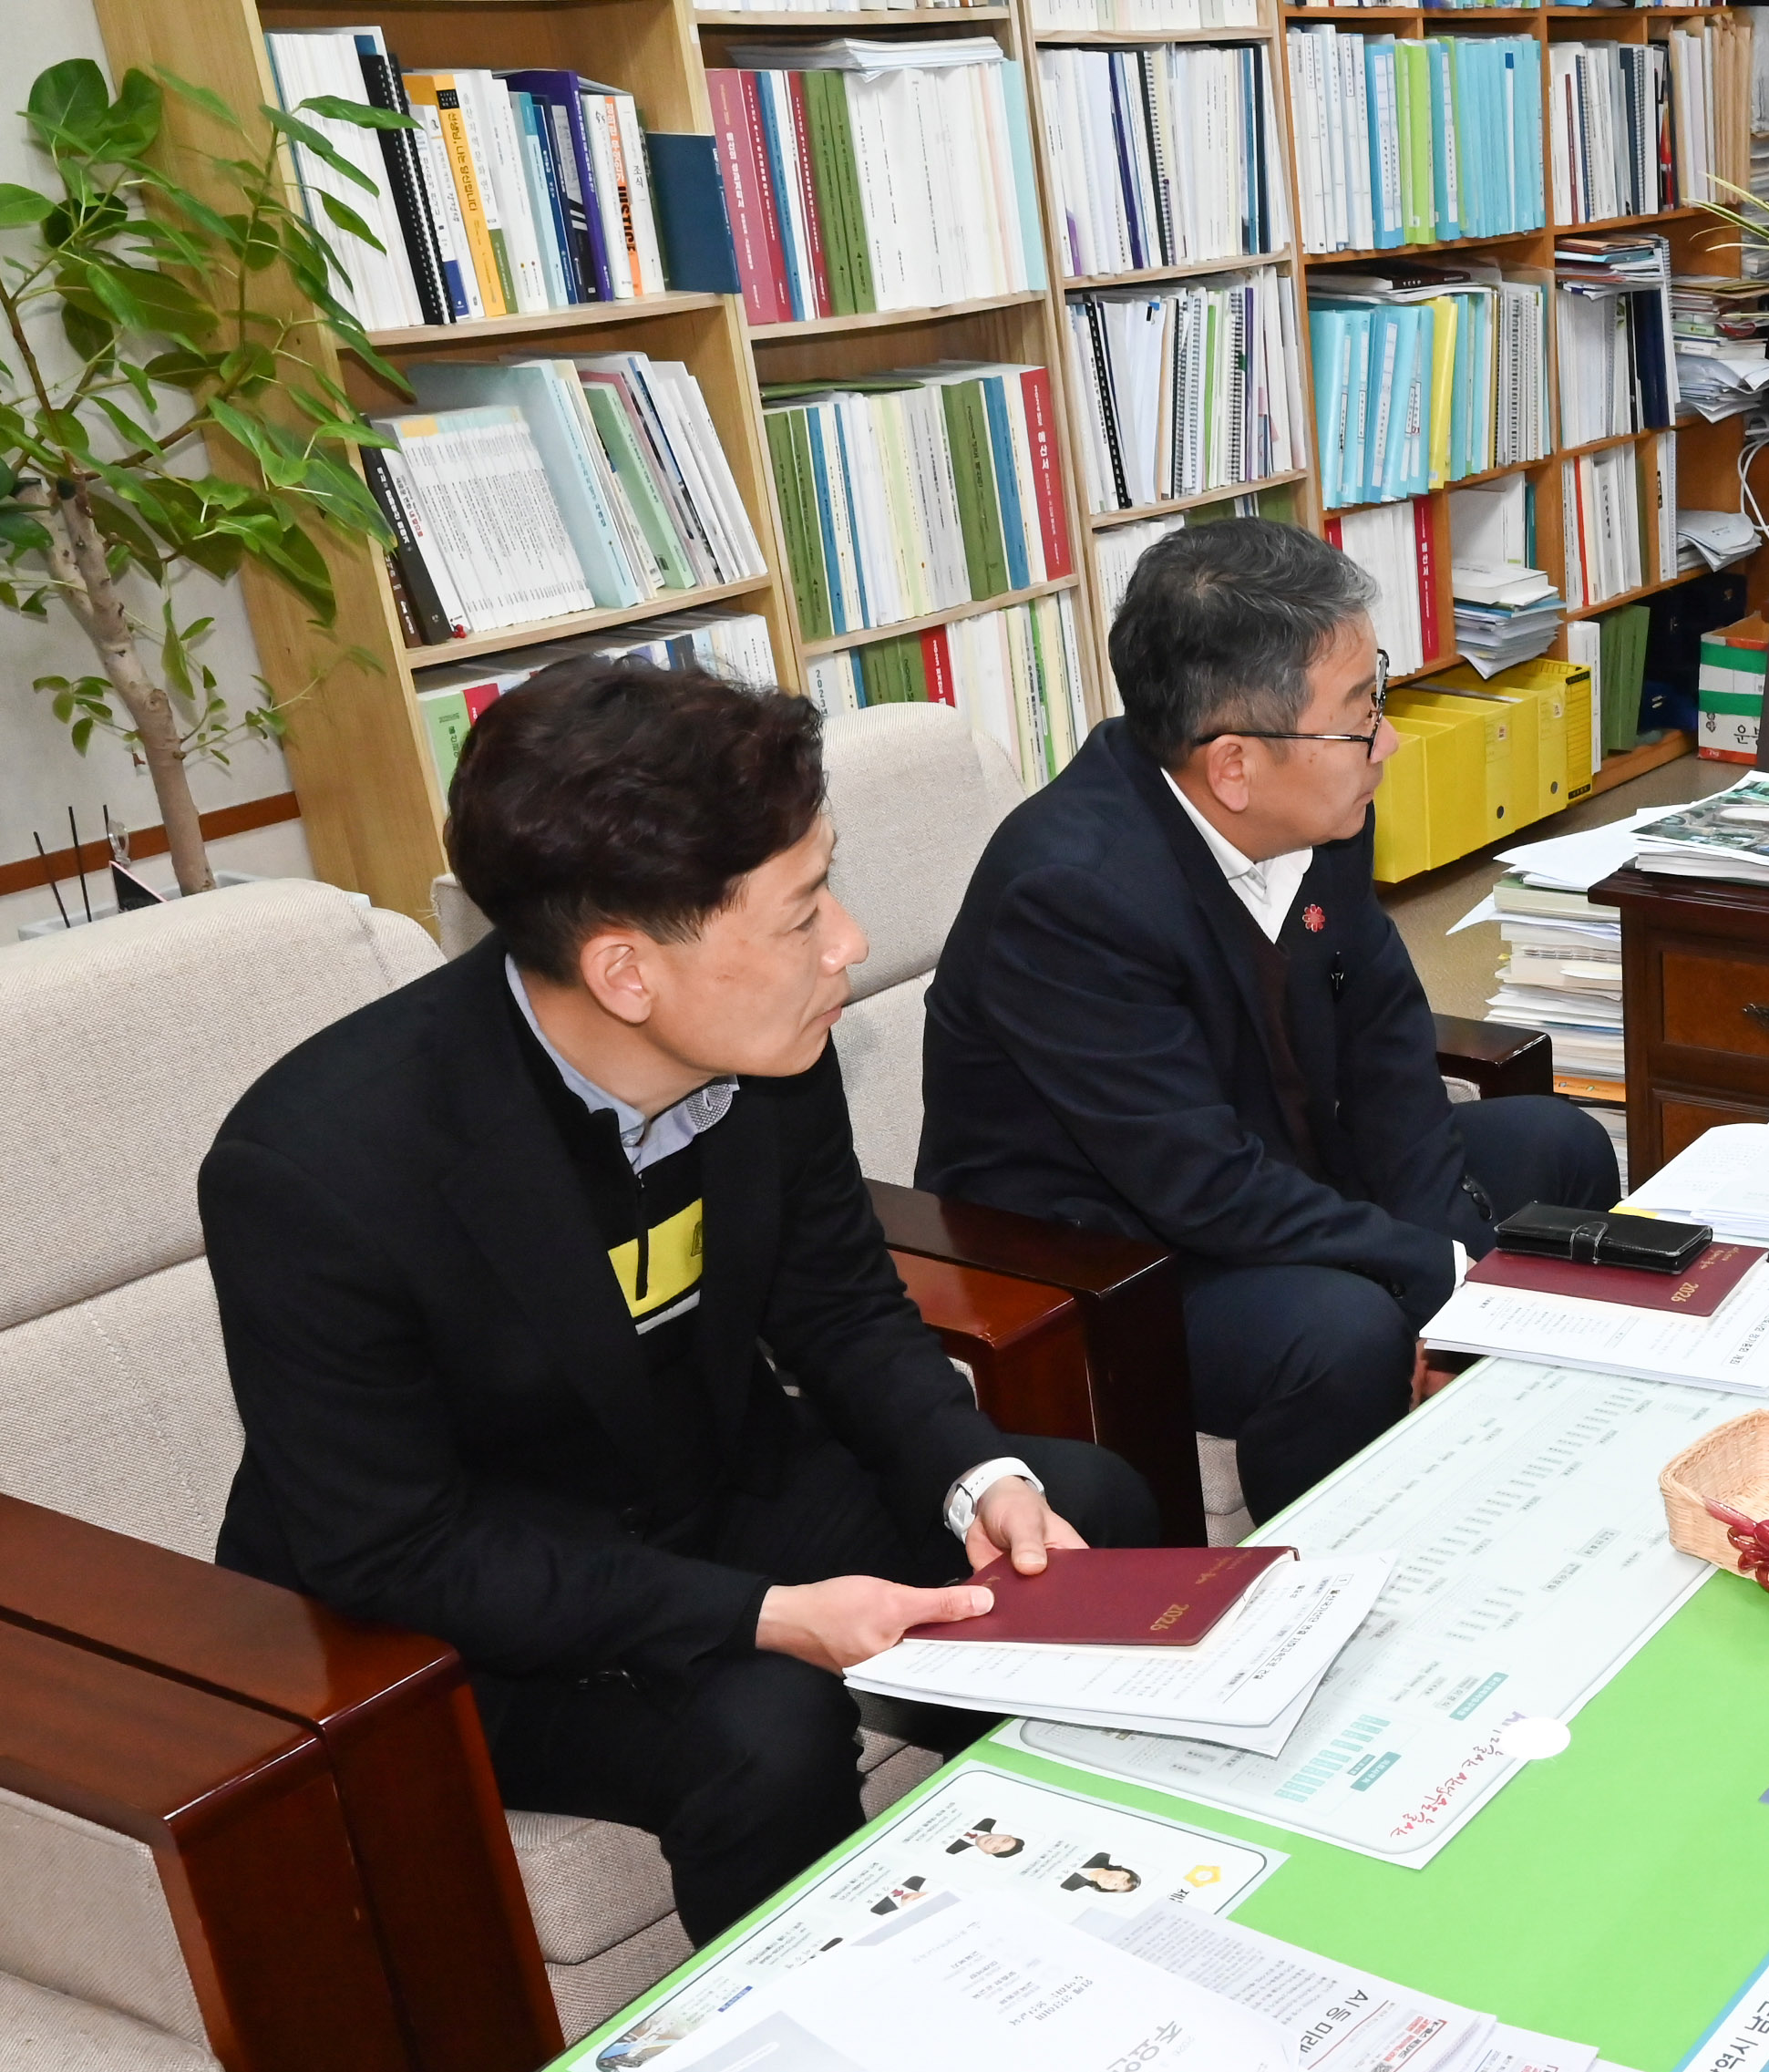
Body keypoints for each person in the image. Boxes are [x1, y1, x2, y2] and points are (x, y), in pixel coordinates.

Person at [201, 658, 1159, 1947]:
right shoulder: (319, 1169)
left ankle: (1077, 1920)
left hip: (703, 1483)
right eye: (805, 908)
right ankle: (812, 2058)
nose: (852, 943)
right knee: (765, 1723)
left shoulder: (764, 1041)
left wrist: (967, 1476)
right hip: (464, 1603)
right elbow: (396, 1545)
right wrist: (763, 1617)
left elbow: (840, 1308)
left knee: (1073, 1513)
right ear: (626, 972)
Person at [921, 521, 1620, 1523]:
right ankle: (1348, 1572)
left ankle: (1526, 1463)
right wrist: (1428, 1273)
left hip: (1280, 1160)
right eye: (1357, 716)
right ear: (1234, 765)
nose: (1388, 741)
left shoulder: (1316, 796)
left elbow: (1385, 1039)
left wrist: (1449, 1277)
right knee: (1338, 1329)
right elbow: (1197, 1185)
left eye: (1373, 695)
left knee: (1558, 1146)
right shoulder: (1069, 895)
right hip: (1114, 1252)